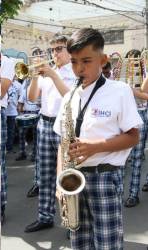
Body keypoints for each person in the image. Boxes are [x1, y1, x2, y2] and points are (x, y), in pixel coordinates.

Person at [54, 28, 142, 250]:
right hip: (73, 180)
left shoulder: (119, 90)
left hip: (104, 178)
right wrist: (59, 181)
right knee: (79, 243)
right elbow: (62, 143)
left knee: (107, 244)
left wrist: (95, 147)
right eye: (74, 62)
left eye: (86, 61)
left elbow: (133, 137)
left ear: (103, 60)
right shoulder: (69, 97)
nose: (79, 69)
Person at [25, 34, 76, 232]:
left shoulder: (75, 73)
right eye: (52, 50)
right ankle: (45, 217)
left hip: (64, 126)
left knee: (67, 176)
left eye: (59, 48)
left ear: (69, 51)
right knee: (44, 175)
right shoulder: (48, 72)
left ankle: (71, 220)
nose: (55, 53)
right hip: (44, 125)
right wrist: (36, 76)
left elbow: (71, 98)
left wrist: (53, 76)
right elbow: (31, 98)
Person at [124, 50, 148, 207]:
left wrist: (134, 91)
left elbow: (144, 94)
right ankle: (133, 194)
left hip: (144, 112)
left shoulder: (145, 73)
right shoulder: (123, 75)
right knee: (137, 158)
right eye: (131, 61)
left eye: (136, 60)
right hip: (136, 116)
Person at [0, 54, 16, 223]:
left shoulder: (8, 61)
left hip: (2, 110)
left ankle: (2, 206)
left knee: (2, 161)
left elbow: (3, 88)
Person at [5, 76, 23, 153]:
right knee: (4, 131)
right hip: (4, 111)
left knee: (11, 131)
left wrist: (19, 108)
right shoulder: (4, 81)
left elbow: (20, 97)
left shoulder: (18, 85)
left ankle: (9, 148)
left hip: (13, 112)